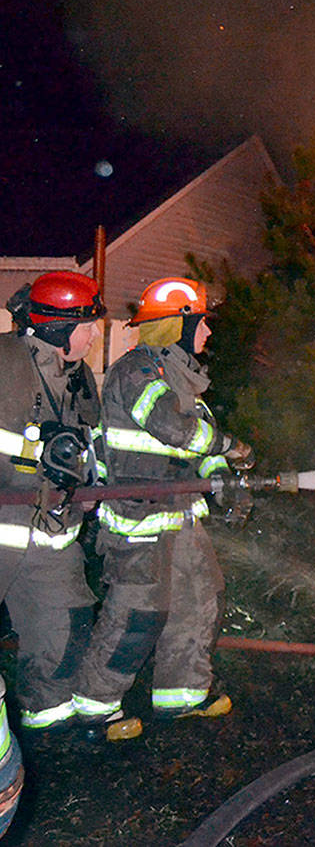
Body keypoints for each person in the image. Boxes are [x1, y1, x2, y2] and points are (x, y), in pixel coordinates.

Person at [73, 276, 253, 731]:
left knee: (199, 602)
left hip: (183, 520)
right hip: (140, 521)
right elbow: (172, 428)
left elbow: (199, 450)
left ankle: (181, 695)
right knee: (136, 616)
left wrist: (224, 481)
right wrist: (231, 447)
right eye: (202, 323)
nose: (208, 334)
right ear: (178, 324)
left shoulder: (185, 382)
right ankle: (96, 709)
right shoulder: (137, 372)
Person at [0, 271, 106, 745]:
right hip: (4, 524)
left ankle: (46, 726)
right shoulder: (3, 364)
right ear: (57, 329)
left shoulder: (79, 378)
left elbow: (93, 447)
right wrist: (33, 453)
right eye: (87, 324)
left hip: (49, 534)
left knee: (65, 625)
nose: (96, 333)